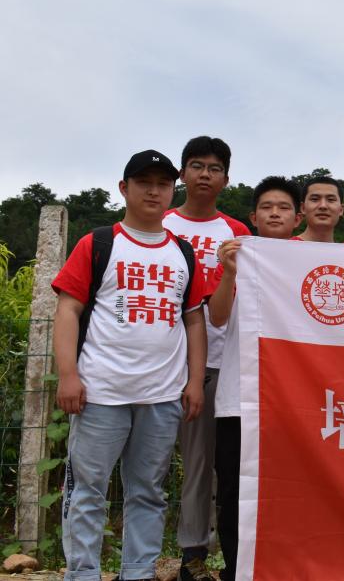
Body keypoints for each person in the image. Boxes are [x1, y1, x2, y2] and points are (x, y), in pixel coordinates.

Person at [52, 150, 207, 581]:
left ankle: (137, 572)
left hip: (162, 395)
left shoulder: (183, 252)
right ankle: (83, 573)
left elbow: (194, 320)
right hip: (100, 392)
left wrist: (195, 381)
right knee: (87, 491)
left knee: (149, 492)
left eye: (163, 183)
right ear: (124, 188)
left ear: (173, 189)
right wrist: (68, 375)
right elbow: (68, 310)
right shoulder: (99, 243)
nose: (154, 191)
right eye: (144, 182)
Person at [205, 176, 303, 581]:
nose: (275, 213)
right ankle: (236, 570)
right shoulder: (237, 256)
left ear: (297, 218)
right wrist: (229, 273)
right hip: (238, 397)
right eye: (266, 207)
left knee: (291, 490)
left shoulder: (312, 260)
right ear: (253, 217)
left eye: (283, 207)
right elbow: (217, 317)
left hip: (294, 402)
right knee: (234, 490)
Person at [162, 136, 249, 581]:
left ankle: (210, 555)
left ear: (226, 179)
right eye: (196, 166)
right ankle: (177, 555)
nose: (205, 175)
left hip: (223, 363)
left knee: (216, 467)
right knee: (174, 465)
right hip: (166, 365)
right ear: (182, 173)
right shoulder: (160, 224)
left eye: (214, 168)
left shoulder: (238, 233)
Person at [295, 175, 344, 242]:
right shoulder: (284, 247)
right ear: (303, 208)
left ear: (341, 209)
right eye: (315, 199)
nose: (323, 206)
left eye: (331, 199)